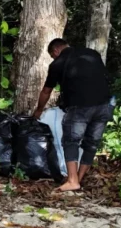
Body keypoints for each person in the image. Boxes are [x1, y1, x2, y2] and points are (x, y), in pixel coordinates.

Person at [33, 38, 113, 192]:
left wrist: (38, 110)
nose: (54, 58)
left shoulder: (57, 63)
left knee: (71, 140)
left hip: (80, 106)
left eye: (52, 55)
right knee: (91, 143)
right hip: (104, 104)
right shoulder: (92, 54)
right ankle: (78, 178)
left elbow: (46, 91)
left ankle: (72, 181)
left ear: (56, 51)